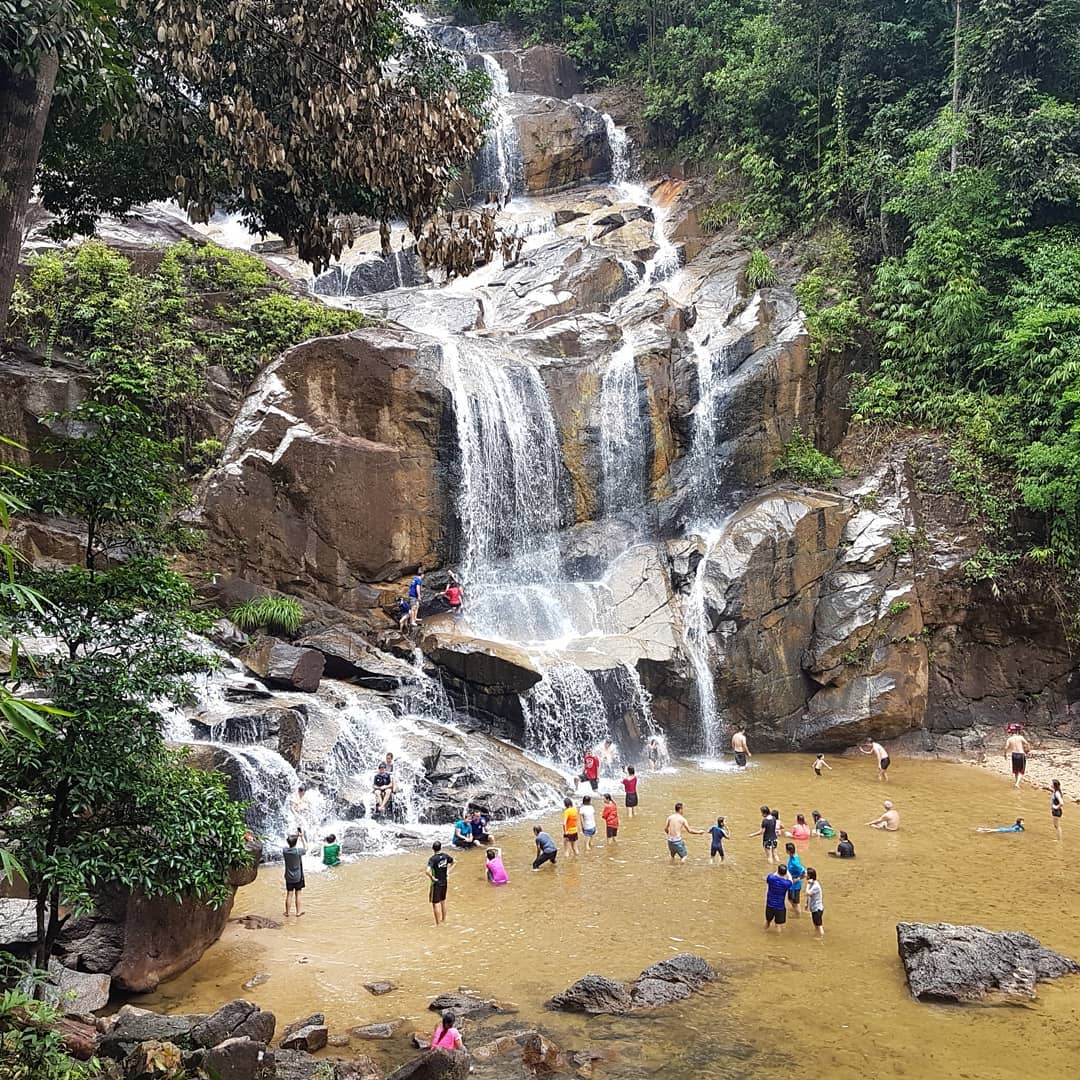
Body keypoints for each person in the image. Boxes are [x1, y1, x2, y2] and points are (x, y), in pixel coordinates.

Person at [427, 841, 454, 925]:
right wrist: (448, 871)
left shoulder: (432, 859)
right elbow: (454, 862)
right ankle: (444, 920)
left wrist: (432, 878)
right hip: (444, 882)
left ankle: (437, 924)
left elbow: (427, 871)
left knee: (435, 904)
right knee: (443, 901)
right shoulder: (445, 856)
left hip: (436, 883)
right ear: (440, 848)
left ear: (433, 848)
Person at [283, 830, 306, 916]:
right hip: (298, 876)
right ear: (296, 843)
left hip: (288, 876)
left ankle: (287, 912)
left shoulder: (285, 851)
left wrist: (295, 837)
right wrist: (301, 837)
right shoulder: (298, 851)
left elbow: (289, 845)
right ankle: (298, 912)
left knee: (289, 893)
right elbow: (306, 848)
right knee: (298, 893)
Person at [764, 865, 791, 932]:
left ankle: (763, 932)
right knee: (778, 925)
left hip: (769, 905)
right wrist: (788, 873)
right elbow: (791, 880)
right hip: (780, 907)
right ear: (785, 873)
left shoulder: (770, 878)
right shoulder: (786, 883)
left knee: (767, 921)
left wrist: (777, 872)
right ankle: (778, 939)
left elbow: (772, 876)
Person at [784, 842, 805, 916]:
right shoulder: (794, 856)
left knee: (796, 902)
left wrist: (798, 879)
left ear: (788, 851)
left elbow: (804, 873)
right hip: (791, 884)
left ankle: (798, 915)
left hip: (795, 885)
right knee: (790, 899)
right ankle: (795, 910)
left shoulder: (795, 862)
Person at [804, 868, 824, 937]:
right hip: (814, 908)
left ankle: (821, 937)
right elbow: (810, 895)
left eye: (806, 874)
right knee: (816, 925)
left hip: (817, 909)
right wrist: (806, 903)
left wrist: (808, 884)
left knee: (819, 926)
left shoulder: (815, 886)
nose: (805, 875)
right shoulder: (812, 884)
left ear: (809, 876)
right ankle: (816, 935)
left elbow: (807, 893)